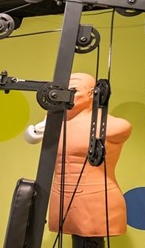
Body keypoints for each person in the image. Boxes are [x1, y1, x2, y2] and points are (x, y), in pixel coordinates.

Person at [26, 72, 132, 237]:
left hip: (96, 198)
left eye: (74, 90)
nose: (67, 96)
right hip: (59, 197)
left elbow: (123, 129)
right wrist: (47, 122)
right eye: (64, 91)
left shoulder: (114, 126)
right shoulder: (53, 122)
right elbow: (31, 137)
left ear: (92, 93)